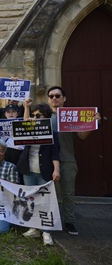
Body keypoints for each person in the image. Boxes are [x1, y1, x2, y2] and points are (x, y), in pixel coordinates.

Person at [46, 86, 100, 236]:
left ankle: (69, 222)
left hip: (67, 159)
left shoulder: (71, 116)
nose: (54, 98)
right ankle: (51, 222)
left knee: (68, 193)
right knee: (50, 194)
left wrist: (93, 123)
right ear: (48, 99)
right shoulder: (43, 116)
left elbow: (82, 136)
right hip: (47, 161)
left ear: (64, 99)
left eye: (58, 96)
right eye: (51, 96)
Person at [17, 100, 60, 246]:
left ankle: (46, 231)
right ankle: (34, 227)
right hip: (28, 170)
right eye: (34, 115)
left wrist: (56, 170)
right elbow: (23, 123)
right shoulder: (28, 129)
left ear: (46, 116)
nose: (36, 118)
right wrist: (26, 108)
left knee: (45, 201)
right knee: (31, 199)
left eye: (39, 115)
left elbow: (55, 154)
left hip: (44, 171)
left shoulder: (52, 134)